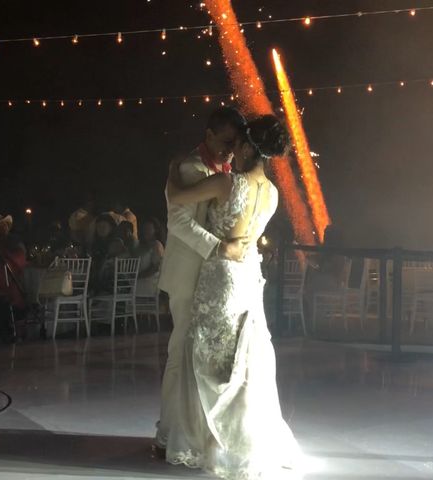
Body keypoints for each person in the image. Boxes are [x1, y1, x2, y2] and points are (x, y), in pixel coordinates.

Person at [163, 114, 303, 478]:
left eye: (235, 143)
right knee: (240, 362)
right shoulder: (272, 194)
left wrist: (171, 171)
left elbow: (177, 198)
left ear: (244, 147)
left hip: (220, 277)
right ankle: (236, 441)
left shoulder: (227, 183)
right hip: (247, 279)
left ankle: (207, 440)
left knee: (204, 359)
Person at [154, 107, 250, 454]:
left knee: (200, 358)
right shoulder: (190, 167)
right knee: (180, 353)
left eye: (234, 144)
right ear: (208, 134)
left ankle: (192, 432)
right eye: (225, 142)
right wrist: (218, 248)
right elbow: (178, 222)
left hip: (211, 277)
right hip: (187, 273)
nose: (229, 151)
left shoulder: (223, 170)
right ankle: (168, 431)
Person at [135, 218, 165, 297]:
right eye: (144, 229)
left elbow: (156, 267)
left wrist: (138, 276)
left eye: (148, 229)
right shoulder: (140, 245)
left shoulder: (157, 245)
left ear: (155, 230)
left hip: (149, 282)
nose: (145, 231)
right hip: (138, 281)